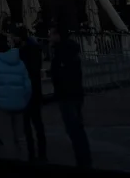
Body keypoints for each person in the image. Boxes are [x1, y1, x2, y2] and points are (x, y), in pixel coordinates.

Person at [0, 33, 32, 155]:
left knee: (7, 138)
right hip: (19, 102)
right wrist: (24, 99)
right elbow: (27, 85)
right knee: (20, 138)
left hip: (1, 104)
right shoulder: (19, 62)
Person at [49, 25, 91, 168]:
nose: (49, 37)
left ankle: (83, 160)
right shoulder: (70, 52)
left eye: (52, 34)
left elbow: (62, 75)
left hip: (67, 95)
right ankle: (84, 158)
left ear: (58, 36)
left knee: (74, 128)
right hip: (75, 93)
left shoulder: (62, 54)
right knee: (76, 127)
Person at [13, 26, 47, 161]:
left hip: (27, 91)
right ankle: (41, 152)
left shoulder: (24, 51)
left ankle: (32, 152)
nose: (12, 38)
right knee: (37, 123)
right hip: (35, 90)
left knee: (29, 123)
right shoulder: (34, 49)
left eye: (14, 36)